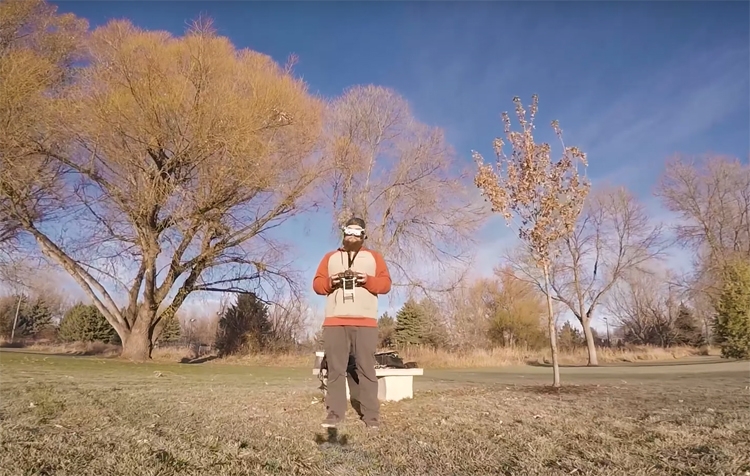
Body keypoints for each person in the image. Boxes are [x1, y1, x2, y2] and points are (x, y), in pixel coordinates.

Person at [312, 217, 391, 429]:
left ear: (364, 234)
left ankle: (371, 417)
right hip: (335, 321)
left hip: (365, 322)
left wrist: (367, 280)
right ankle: (335, 414)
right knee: (336, 370)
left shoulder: (374, 257)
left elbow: (385, 285)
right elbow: (317, 285)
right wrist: (331, 282)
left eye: (357, 232)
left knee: (366, 369)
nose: (353, 236)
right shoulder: (330, 258)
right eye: (349, 231)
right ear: (343, 233)